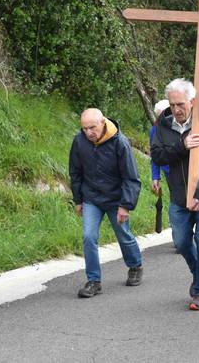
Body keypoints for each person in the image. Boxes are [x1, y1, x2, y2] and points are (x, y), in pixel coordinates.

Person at [151, 78, 199, 311]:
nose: (176, 110)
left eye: (180, 104)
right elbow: (158, 156)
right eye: (172, 105)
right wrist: (182, 146)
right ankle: (198, 271)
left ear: (192, 101)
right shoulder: (163, 125)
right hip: (179, 196)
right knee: (181, 242)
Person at [69, 108, 143, 298]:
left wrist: (125, 205)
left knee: (123, 235)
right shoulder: (79, 141)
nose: (88, 133)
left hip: (115, 199)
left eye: (92, 127)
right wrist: (78, 200)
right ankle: (94, 281)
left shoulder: (120, 143)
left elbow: (131, 177)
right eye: (84, 128)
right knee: (88, 237)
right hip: (91, 198)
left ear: (103, 122)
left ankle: (135, 265)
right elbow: (75, 172)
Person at [150, 100, 170, 195]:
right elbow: (154, 155)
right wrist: (155, 177)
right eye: (158, 117)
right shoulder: (154, 130)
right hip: (168, 171)